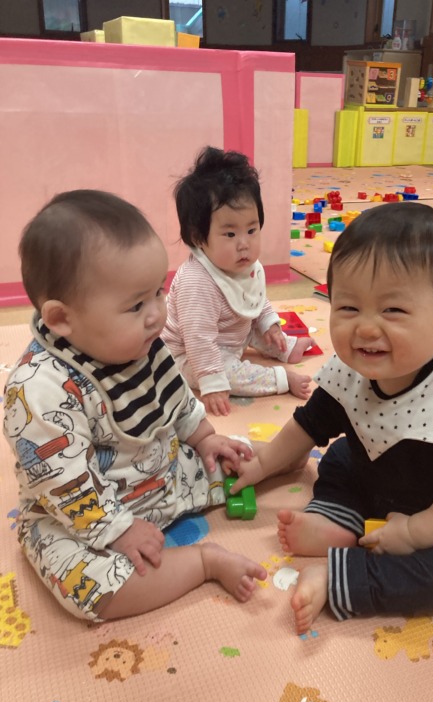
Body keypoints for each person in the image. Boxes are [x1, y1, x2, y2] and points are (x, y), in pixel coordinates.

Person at [228, 203, 433, 634]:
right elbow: (308, 425)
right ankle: (338, 520)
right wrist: (261, 465)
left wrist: (414, 534)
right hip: (380, 475)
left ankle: (341, 576)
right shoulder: (353, 369)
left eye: (393, 311)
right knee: (340, 457)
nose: (366, 328)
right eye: (348, 308)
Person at [3, 190, 267, 623]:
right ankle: (203, 563)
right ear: (62, 319)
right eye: (136, 305)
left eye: (158, 292)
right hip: (80, 513)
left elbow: (177, 396)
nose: (157, 314)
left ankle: (276, 458)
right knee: (92, 590)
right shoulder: (38, 392)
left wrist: (205, 439)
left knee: (246, 458)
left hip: (163, 472)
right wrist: (117, 530)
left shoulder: (141, 340)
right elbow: (64, 482)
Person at [162, 146, 315, 416]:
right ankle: (280, 379)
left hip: (232, 337)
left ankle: (286, 347)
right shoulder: (197, 281)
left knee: (258, 325)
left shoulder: (242, 264)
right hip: (190, 355)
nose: (244, 244)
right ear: (198, 237)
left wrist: (270, 323)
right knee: (226, 374)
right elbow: (199, 338)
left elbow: (254, 298)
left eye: (252, 230)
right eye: (230, 234)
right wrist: (212, 383)